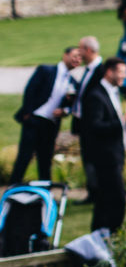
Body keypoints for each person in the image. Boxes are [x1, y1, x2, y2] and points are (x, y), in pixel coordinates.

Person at [10, 47, 82, 183]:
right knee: (24, 156)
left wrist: (64, 111)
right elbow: (30, 90)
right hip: (34, 119)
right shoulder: (46, 70)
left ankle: (45, 191)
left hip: (51, 124)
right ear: (65, 55)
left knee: (45, 159)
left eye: (80, 58)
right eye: (75, 56)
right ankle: (13, 188)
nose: (77, 59)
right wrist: (27, 113)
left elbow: (71, 105)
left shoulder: (73, 82)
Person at [80, 57, 126, 232]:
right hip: (105, 157)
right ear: (109, 72)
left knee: (104, 199)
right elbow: (94, 127)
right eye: (121, 72)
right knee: (117, 200)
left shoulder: (112, 92)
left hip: (114, 154)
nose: (124, 76)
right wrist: (122, 123)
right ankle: (114, 234)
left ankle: (98, 234)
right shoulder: (96, 96)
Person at [71, 36, 104, 204]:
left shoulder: (100, 70)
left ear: (89, 50)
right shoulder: (88, 70)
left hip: (93, 125)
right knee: (88, 158)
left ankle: (97, 193)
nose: (79, 53)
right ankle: (93, 192)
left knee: (94, 159)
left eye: (81, 49)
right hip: (84, 124)